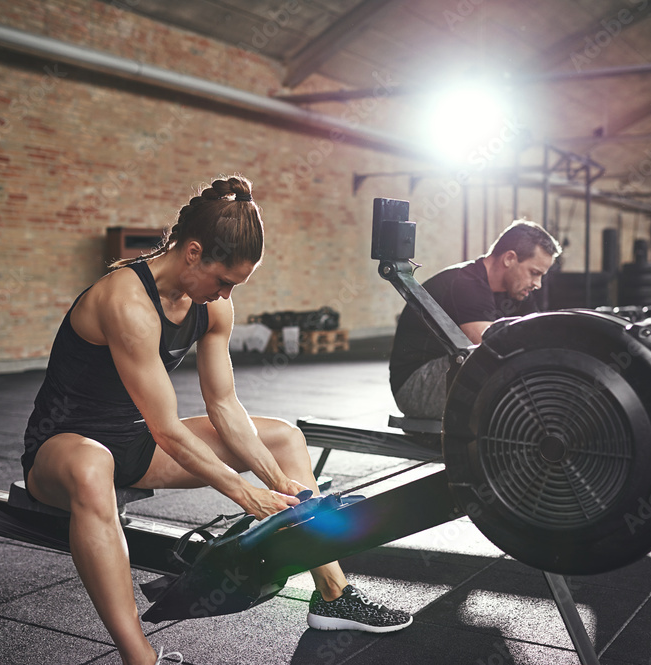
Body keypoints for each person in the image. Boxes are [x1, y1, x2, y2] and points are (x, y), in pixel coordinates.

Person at [22, 175, 411, 665]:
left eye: (234, 285)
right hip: (64, 449)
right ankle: (139, 657)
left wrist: (278, 485)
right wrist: (246, 494)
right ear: (192, 252)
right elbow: (166, 427)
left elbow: (223, 405)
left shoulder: (213, 306)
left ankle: (333, 594)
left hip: (135, 446)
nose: (226, 294)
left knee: (284, 440)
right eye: (223, 280)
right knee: (92, 465)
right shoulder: (125, 301)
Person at [389, 220, 562, 420]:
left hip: (451, 370)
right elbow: (489, 346)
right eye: (534, 273)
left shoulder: (518, 291)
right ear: (509, 258)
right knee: (499, 361)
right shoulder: (466, 283)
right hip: (416, 385)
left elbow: (539, 336)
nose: (538, 284)